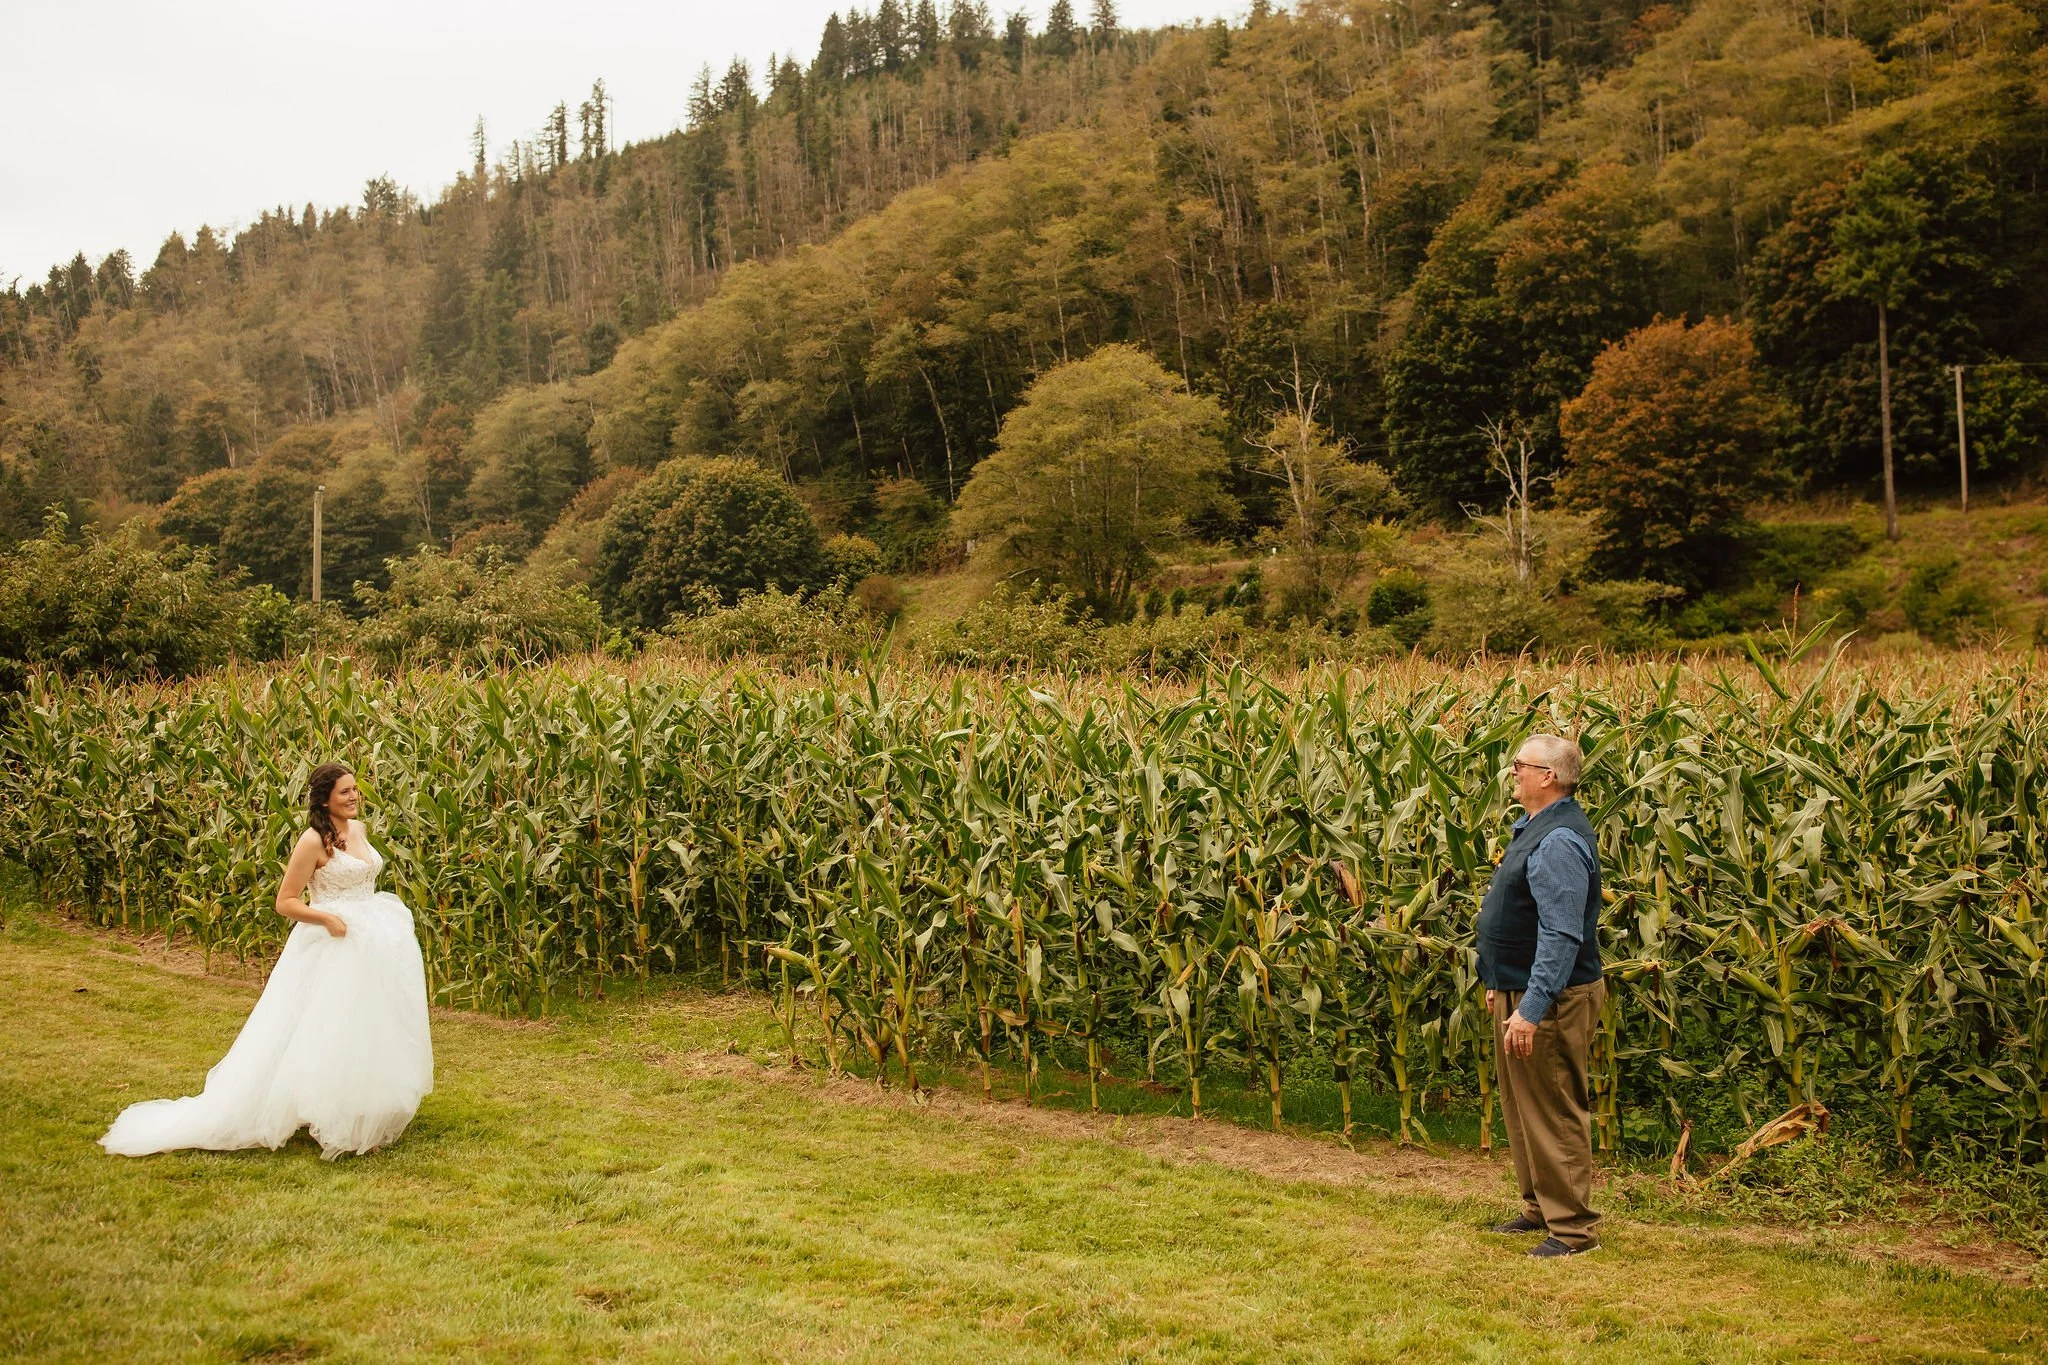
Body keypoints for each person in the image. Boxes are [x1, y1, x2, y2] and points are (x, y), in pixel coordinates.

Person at [101, 763, 433, 1159]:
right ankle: (333, 1117)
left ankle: (363, 1107)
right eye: (344, 791)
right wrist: (327, 917)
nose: (353, 797)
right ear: (324, 798)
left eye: (355, 789)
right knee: (329, 1026)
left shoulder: (358, 830)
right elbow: (285, 901)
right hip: (331, 942)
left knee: (369, 1024)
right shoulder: (313, 841)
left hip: (372, 937)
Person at [1475, 732, 1605, 1257]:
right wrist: (1498, 980)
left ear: (1548, 776)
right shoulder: (1535, 826)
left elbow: (1561, 934)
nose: (1513, 772)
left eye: (1520, 765)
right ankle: (1540, 1208)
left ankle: (1572, 1230)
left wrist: (1530, 1007)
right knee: (1522, 1108)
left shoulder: (1558, 841)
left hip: (1550, 998)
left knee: (1552, 1109)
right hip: (1520, 988)